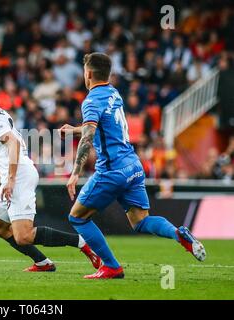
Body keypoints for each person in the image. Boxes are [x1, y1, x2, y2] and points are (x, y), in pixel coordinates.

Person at [59, 53, 206, 279]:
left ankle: (112, 266)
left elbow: (89, 137)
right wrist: (75, 130)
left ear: (87, 74)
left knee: (77, 217)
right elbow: (103, 127)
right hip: (133, 166)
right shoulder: (114, 93)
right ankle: (179, 234)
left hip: (112, 170)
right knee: (141, 221)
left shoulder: (90, 100)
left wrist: (74, 173)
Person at [0, 74, 101, 272]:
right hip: (14, 175)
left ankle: (84, 244)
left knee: (24, 235)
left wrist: (11, 180)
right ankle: (42, 263)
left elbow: (12, 142)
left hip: (18, 175)